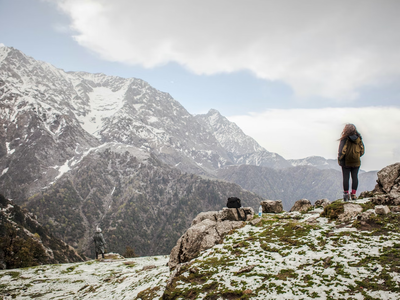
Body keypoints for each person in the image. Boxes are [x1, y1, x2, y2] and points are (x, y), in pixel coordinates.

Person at [338, 124, 365, 201]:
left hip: (346, 162)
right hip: (356, 162)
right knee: (355, 177)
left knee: (346, 178)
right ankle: (353, 194)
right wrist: (356, 156)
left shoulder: (344, 139)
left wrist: (340, 160)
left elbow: (341, 151)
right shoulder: (359, 138)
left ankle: (346, 196)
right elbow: (362, 151)